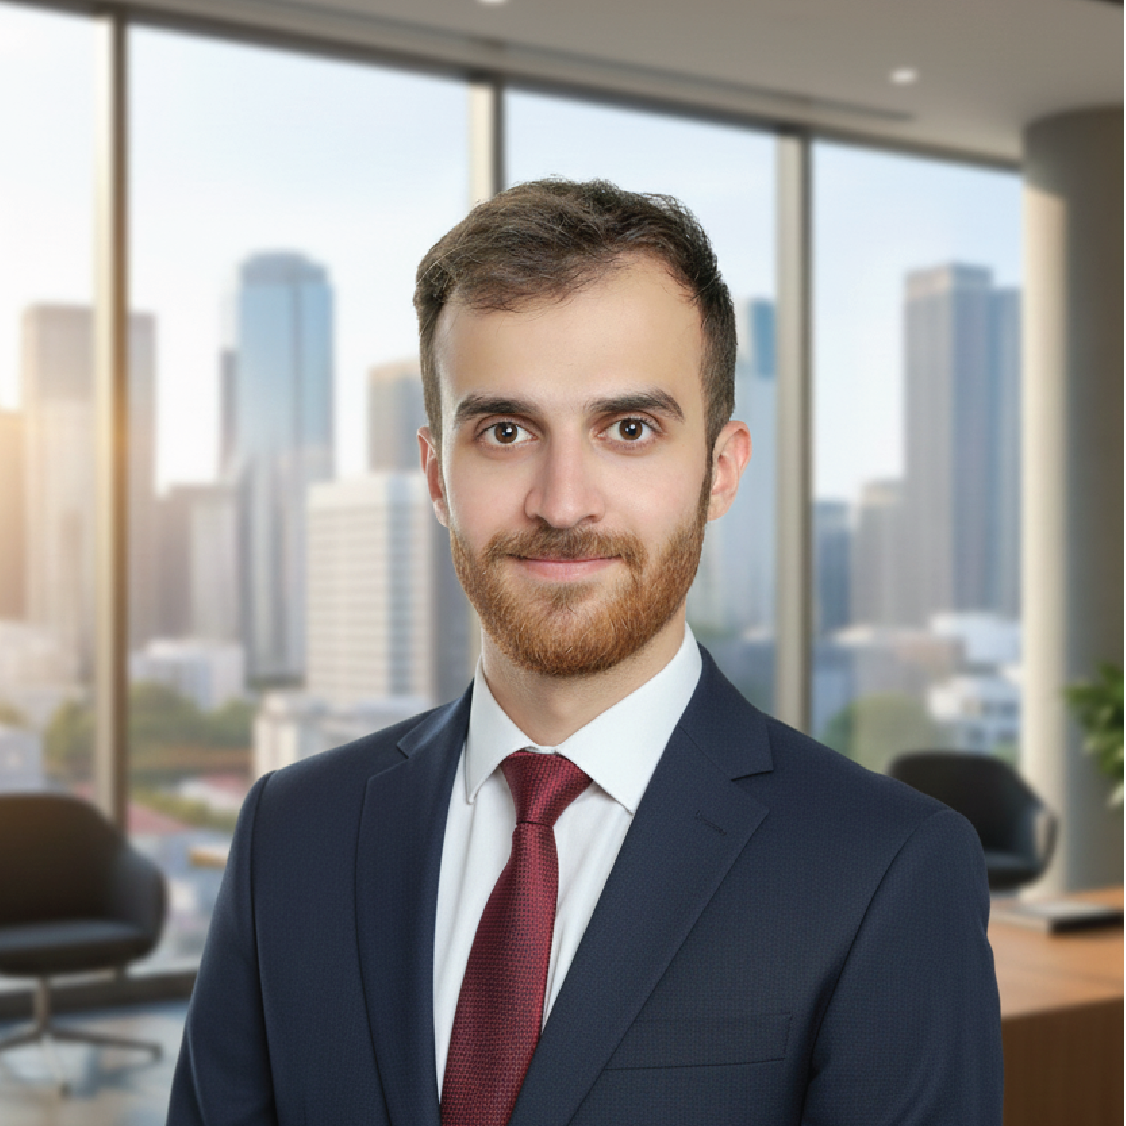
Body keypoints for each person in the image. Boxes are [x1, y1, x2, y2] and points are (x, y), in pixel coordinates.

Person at [167, 179, 1003, 1126]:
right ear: (438, 472)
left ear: (719, 471)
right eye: (506, 431)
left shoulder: (885, 869)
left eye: (629, 429)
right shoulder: (293, 833)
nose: (563, 503)